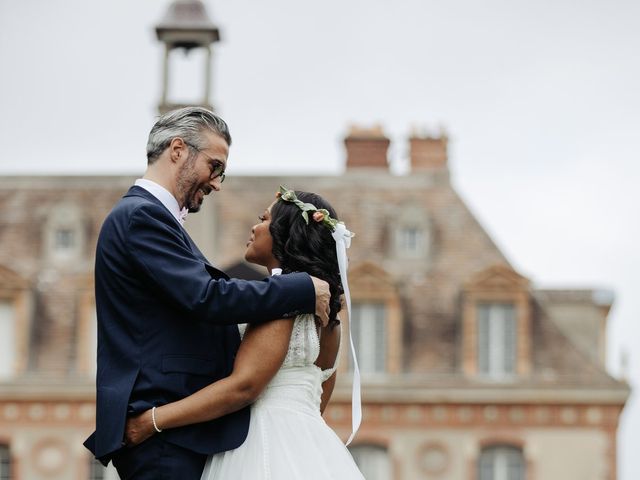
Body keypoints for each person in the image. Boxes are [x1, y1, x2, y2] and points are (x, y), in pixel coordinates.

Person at [83, 108, 331, 480]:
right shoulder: (140, 216)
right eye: (214, 166)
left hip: (180, 432)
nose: (217, 183)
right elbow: (206, 298)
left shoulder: (155, 219)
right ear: (178, 150)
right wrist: (299, 285)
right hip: (163, 431)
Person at [124, 187, 364, 479]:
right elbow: (318, 399)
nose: (255, 226)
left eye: (263, 219)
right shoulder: (330, 322)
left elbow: (244, 387)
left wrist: (152, 420)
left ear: (285, 234)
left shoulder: (282, 300)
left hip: (261, 445)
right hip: (313, 446)